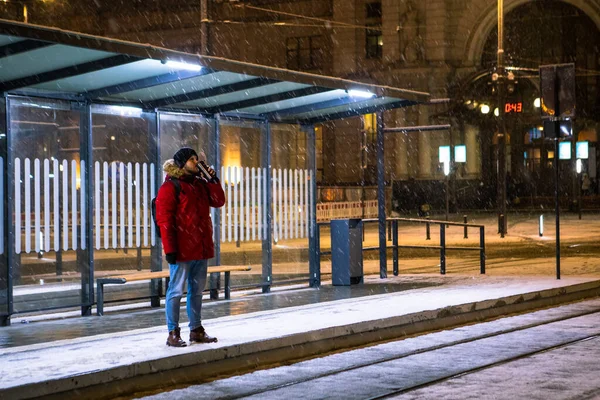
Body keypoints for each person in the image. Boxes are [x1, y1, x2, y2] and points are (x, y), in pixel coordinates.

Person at [155, 147, 225, 347]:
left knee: (196, 291)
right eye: (193, 160)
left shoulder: (200, 185)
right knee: (176, 291)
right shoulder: (170, 187)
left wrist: (213, 181)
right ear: (182, 163)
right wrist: (170, 250)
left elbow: (219, 201)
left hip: (200, 249)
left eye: (197, 159)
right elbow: (164, 220)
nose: (197, 162)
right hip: (181, 250)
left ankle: (196, 329)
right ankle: (173, 332)